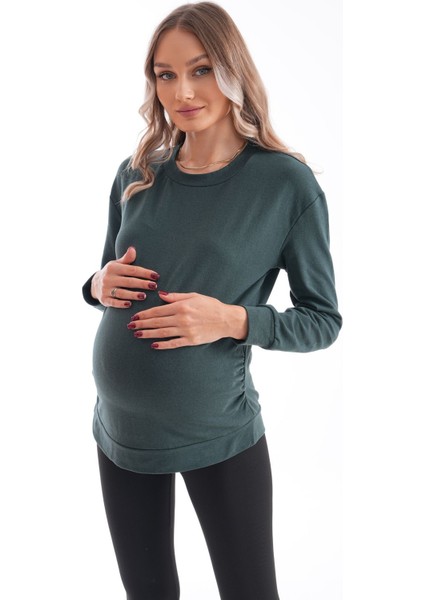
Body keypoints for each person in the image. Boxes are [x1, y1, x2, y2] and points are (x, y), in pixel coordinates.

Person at [82, 2, 342, 599]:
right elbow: (107, 284)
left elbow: (322, 320)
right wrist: (94, 285)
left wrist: (231, 319)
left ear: (232, 70)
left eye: (200, 70)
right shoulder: (137, 172)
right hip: (120, 431)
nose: (182, 91)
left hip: (217, 432)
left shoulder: (284, 183)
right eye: (165, 74)